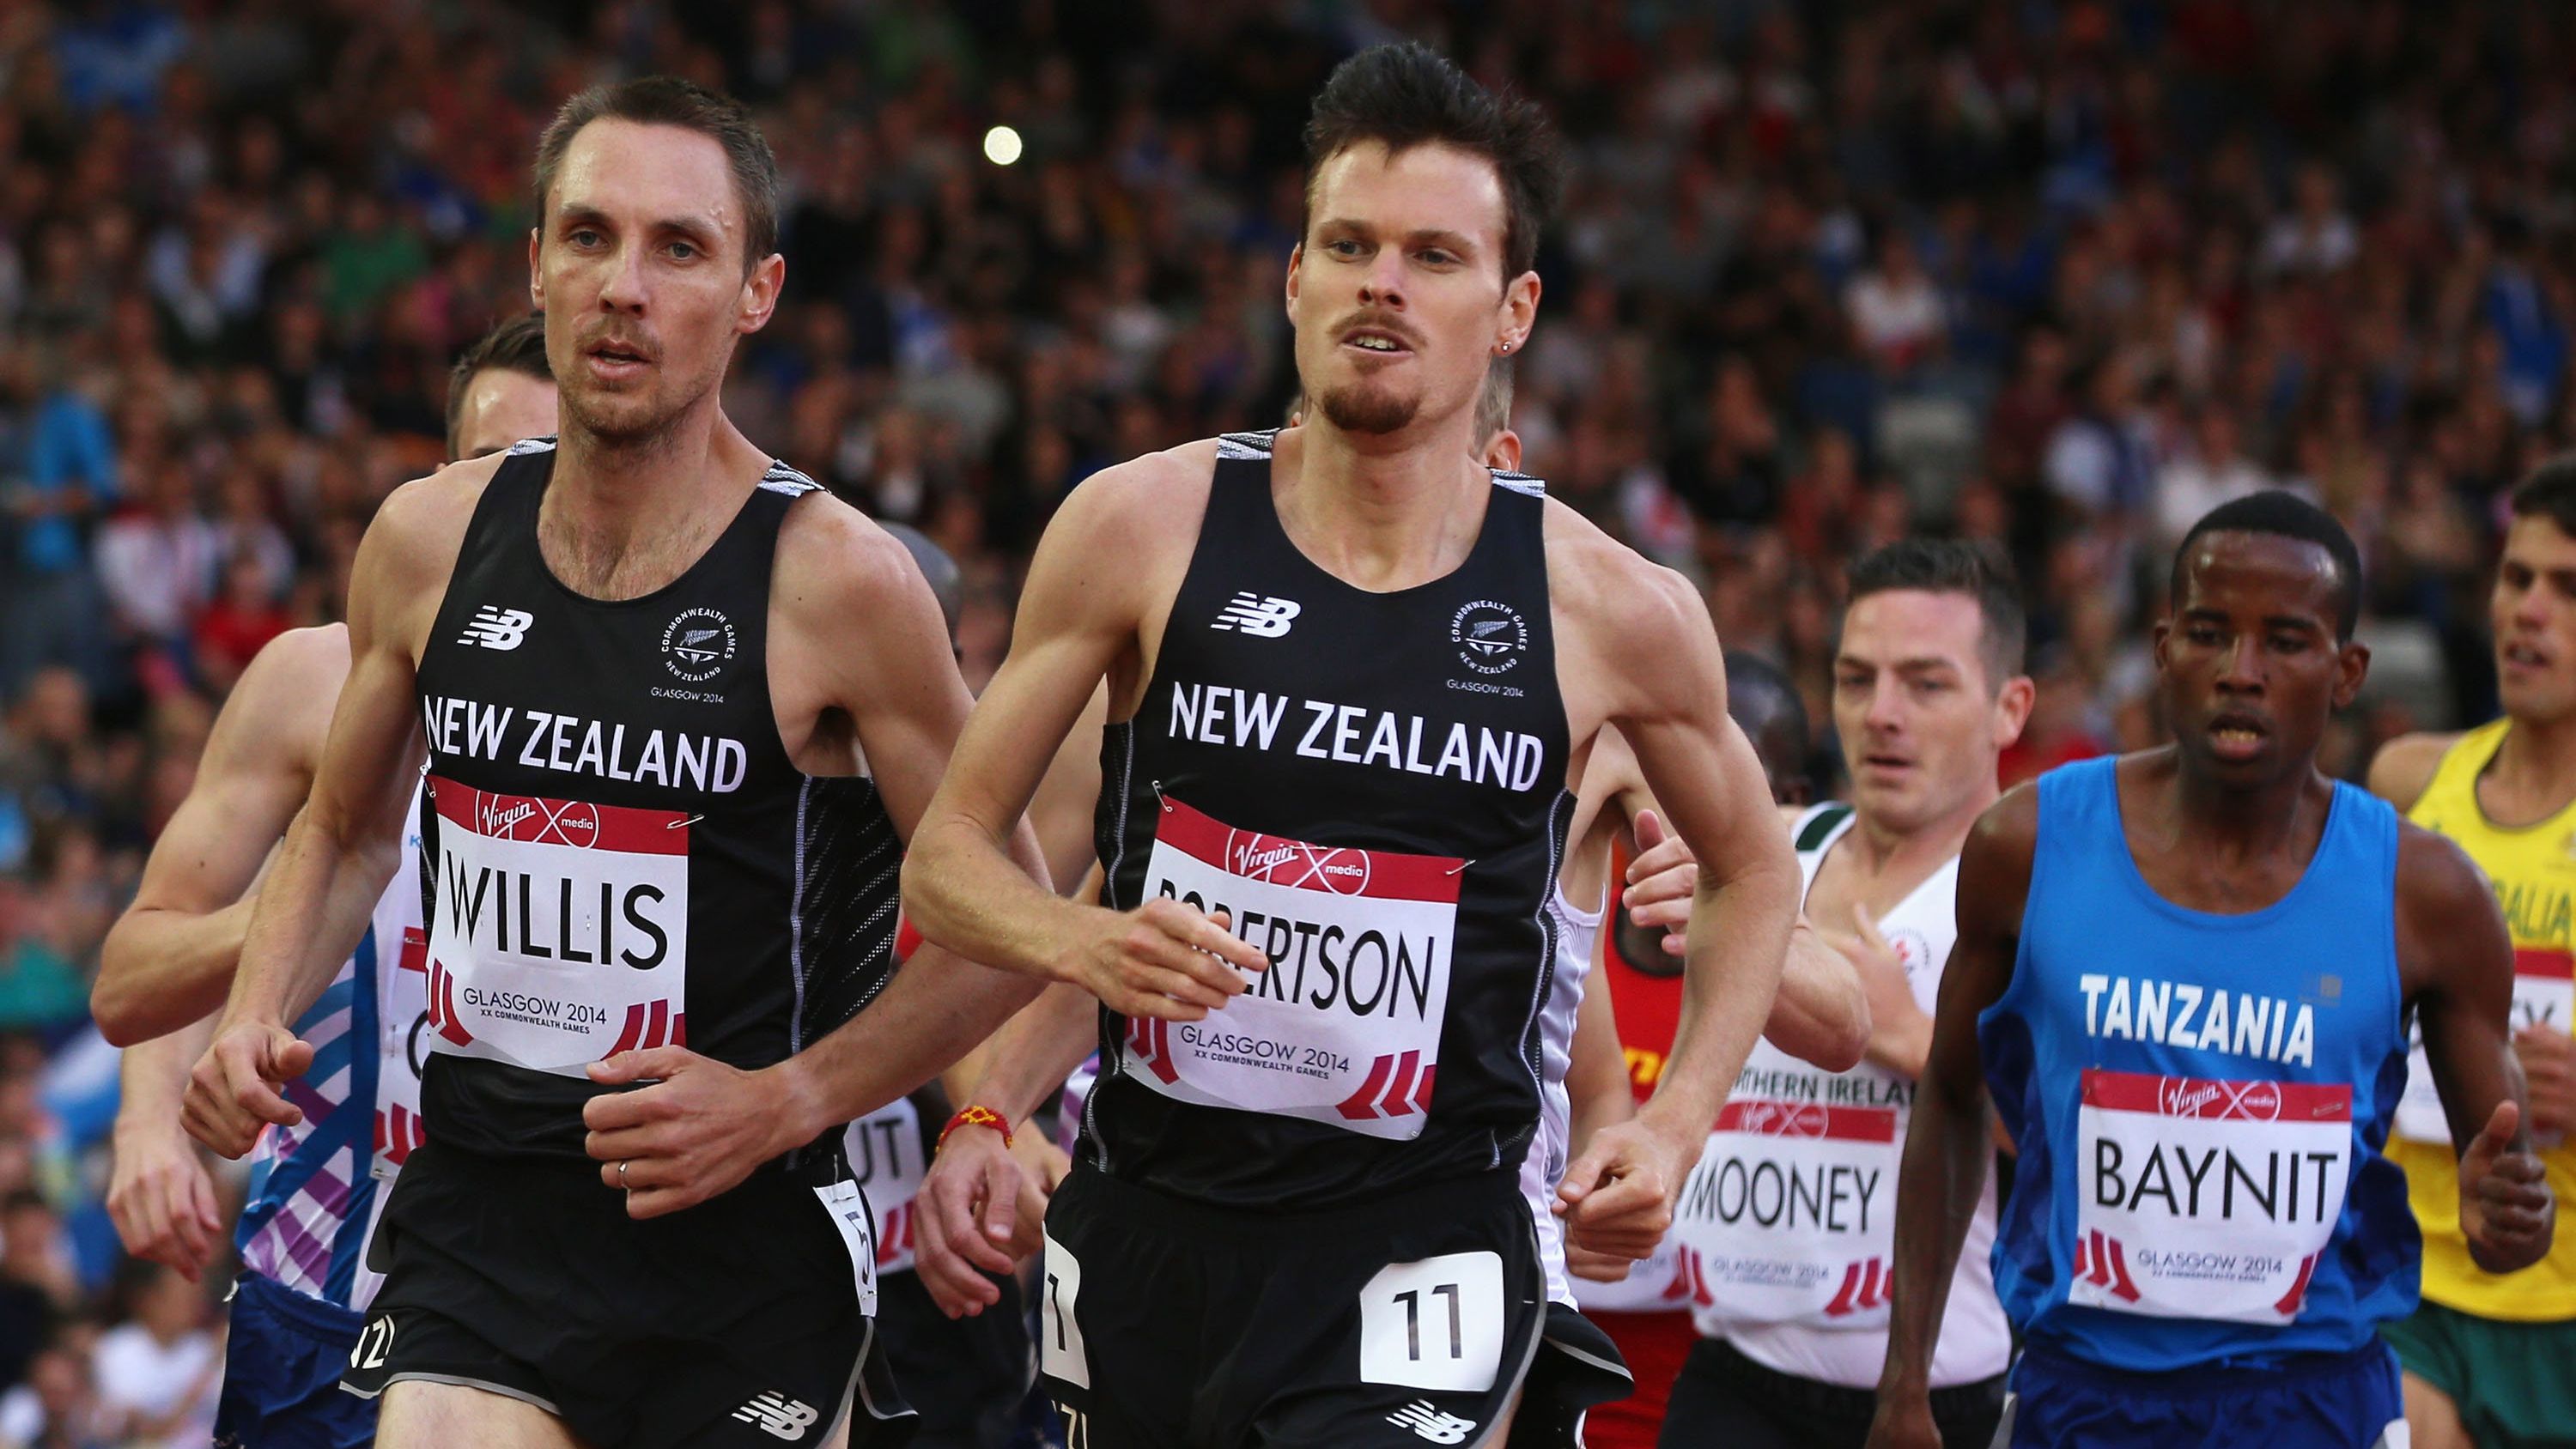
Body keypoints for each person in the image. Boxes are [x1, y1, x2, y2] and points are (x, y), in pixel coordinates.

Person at [902, 42, 1801, 1448]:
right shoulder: (1138, 530)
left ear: (1513, 310)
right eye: (1350, 244)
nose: (1382, 280)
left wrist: (1674, 1122)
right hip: (1146, 1227)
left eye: (1433, 254)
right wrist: (1072, 960)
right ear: (1295, 281)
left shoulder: (1612, 606)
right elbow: (948, 856)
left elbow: (1757, 867)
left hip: (1419, 1239)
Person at [180, 77, 1050, 1449]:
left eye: (679, 249)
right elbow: (346, 834)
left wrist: (792, 1099)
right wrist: (252, 1011)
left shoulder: (839, 587)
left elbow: (1015, 919)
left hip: (739, 1248)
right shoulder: (424, 541)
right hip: (483, 1223)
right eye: (587, 237)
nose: (623, 287)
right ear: (536, 263)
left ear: (757, 292)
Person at [1867, 493, 2555, 1449]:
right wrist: (1906, 1384)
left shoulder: (2429, 892)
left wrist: (2511, 1213)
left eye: (2285, 640)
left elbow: (2502, 1201)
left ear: (2347, 670)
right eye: (2208, 632)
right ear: (2161, 649)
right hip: (2081, 1396)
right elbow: (1947, 1096)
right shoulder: (2027, 844)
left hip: (2317, 1402)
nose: (2242, 672)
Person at [97, 312, 556, 1449]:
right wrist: (150, 1123)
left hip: (563, 1310)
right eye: (497, 463)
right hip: (322, 1301)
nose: (526, 498)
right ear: (444, 477)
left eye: (559, 466)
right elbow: (140, 963)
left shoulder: (687, 712)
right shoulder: (315, 679)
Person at [1658, 540, 2032, 1449]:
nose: (1882, 715)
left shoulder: (2040, 887)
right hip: (1734, 1371)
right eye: (1856, 679)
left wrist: (1909, 1034)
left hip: (1933, 1398)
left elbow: (2095, 1150)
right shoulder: (1767, 853)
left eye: (1927, 683)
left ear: (2008, 708)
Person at [2367, 457, 2576, 1449]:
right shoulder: (2410, 784)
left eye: (2567, 588)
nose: (2528, 610)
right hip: (2418, 1288)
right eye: (2516, 576)